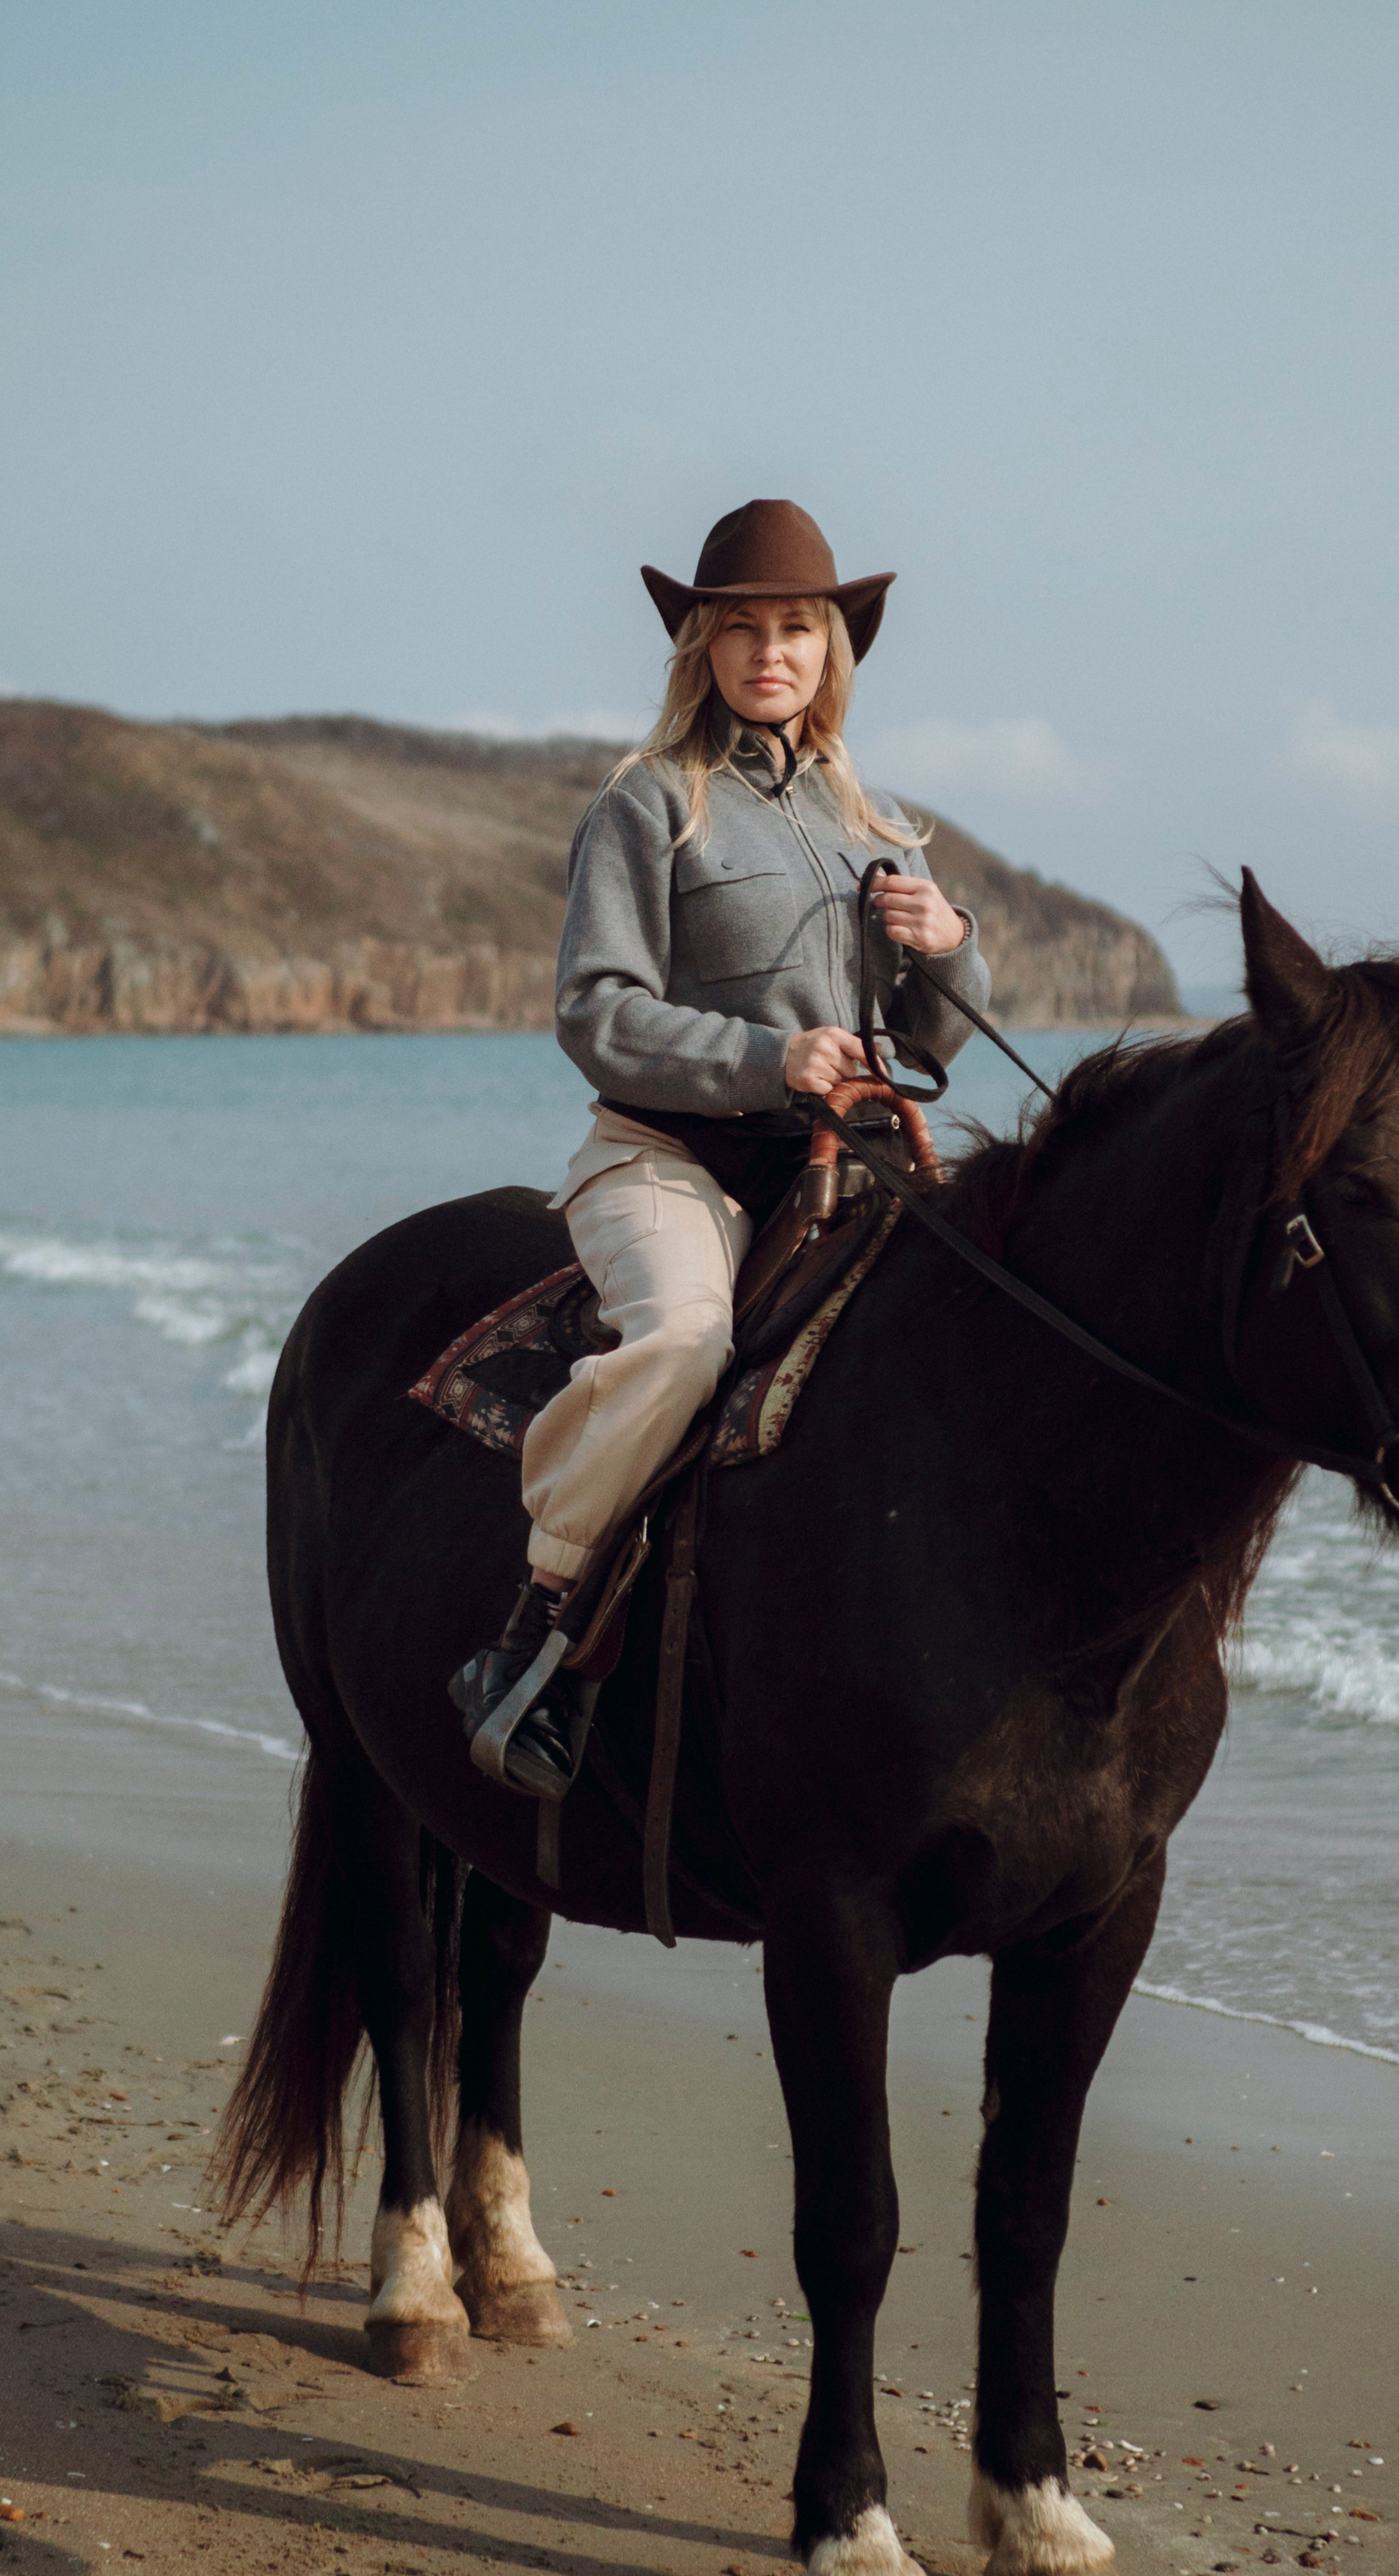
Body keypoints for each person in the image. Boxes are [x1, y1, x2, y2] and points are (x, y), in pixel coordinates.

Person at [452, 498, 992, 1797]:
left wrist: (951, 940)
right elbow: (596, 1013)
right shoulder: (648, 805)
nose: (772, 651)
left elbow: (943, 1039)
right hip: (670, 1159)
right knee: (690, 1339)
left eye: (797, 627)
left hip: (846, 1166)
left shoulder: (882, 821)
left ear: (830, 650)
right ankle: (534, 1632)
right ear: (703, 648)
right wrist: (772, 1058)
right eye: (741, 628)